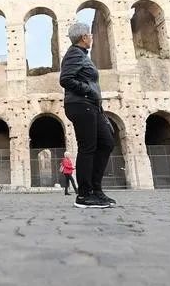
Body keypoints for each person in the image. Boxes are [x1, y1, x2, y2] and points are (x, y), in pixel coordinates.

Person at [59, 22, 116, 209]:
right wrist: (88, 91)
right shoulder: (74, 53)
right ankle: (84, 195)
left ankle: (96, 190)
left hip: (91, 106)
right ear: (84, 37)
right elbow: (66, 79)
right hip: (80, 104)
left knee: (107, 142)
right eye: (90, 35)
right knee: (88, 147)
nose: (91, 37)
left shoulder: (82, 55)